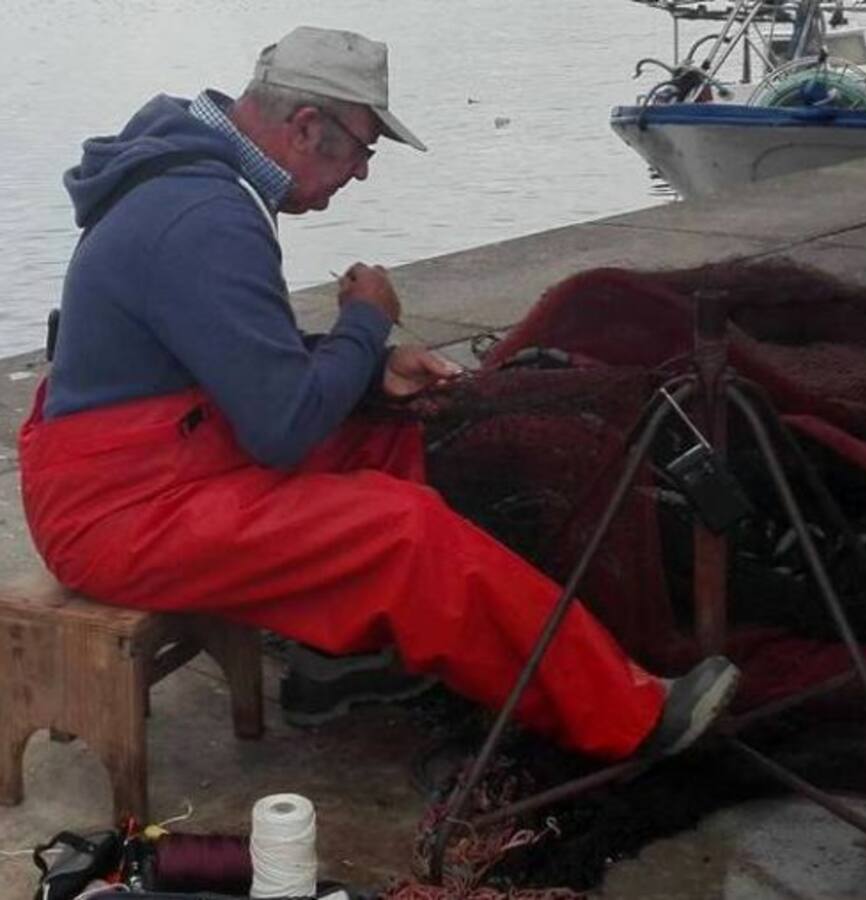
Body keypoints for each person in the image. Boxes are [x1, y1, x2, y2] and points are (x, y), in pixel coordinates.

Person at [20, 25, 740, 761]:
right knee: (403, 533)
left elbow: (229, 351)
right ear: (307, 126)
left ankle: (346, 657)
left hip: (163, 448)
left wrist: (373, 367)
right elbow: (283, 428)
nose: (362, 174)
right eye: (363, 149)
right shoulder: (203, 216)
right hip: (116, 510)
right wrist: (366, 320)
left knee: (396, 437)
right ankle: (628, 718)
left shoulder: (200, 179)